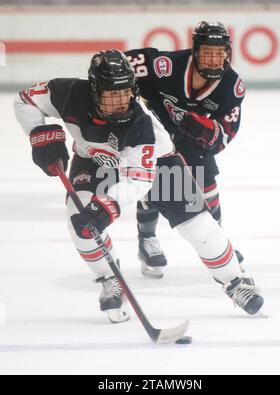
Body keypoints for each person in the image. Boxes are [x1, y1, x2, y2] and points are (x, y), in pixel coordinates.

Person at [14, 49, 263, 325]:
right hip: (94, 161)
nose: (120, 102)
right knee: (79, 224)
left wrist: (107, 207)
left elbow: (139, 181)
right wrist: (39, 134)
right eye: (111, 94)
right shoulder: (68, 92)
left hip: (158, 164)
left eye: (125, 93)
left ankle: (236, 281)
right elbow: (25, 101)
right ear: (94, 90)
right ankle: (111, 279)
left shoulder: (142, 124)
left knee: (199, 226)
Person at [125, 21, 246, 279]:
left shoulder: (231, 86)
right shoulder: (167, 66)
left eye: (219, 53)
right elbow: (122, 64)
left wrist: (206, 130)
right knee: (153, 181)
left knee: (206, 181)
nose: (213, 60)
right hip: (155, 131)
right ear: (194, 51)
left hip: (191, 139)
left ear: (227, 53)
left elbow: (225, 135)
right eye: (206, 52)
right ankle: (146, 239)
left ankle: (219, 243)